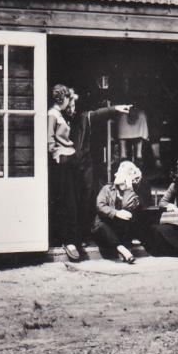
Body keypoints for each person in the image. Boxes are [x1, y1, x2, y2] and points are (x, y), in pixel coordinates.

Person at [69, 92, 130, 244]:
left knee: (86, 197)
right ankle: (73, 238)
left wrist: (115, 109)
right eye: (71, 105)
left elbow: (96, 114)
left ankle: (82, 236)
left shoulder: (82, 117)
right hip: (69, 165)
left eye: (74, 105)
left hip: (84, 164)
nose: (73, 108)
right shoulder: (59, 117)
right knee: (72, 201)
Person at [48, 83, 84, 261]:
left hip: (69, 160)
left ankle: (73, 239)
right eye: (68, 99)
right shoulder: (53, 115)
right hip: (60, 163)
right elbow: (50, 140)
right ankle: (66, 239)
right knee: (65, 200)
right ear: (62, 98)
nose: (70, 102)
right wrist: (57, 155)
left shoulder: (61, 115)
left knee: (72, 199)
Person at [91, 160, 142, 264]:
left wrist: (128, 190)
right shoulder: (107, 189)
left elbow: (127, 206)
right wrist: (116, 213)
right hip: (104, 229)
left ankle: (124, 247)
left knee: (129, 220)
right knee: (100, 226)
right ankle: (122, 249)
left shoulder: (133, 194)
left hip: (120, 230)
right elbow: (100, 206)